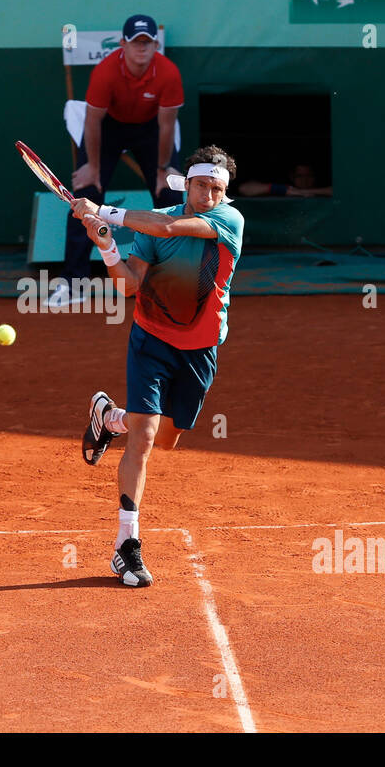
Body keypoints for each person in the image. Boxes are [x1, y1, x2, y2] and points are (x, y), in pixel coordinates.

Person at [68, 145, 244, 587]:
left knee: (167, 440)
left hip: (200, 349)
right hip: (151, 339)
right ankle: (126, 547)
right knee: (144, 437)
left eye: (218, 188)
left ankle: (110, 417)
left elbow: (166, 226)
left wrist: (105, 212)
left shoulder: (229, 221)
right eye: (202, 184)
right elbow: (129, 288)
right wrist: (107, 247)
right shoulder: (150, 223)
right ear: (188, 183)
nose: (209, 194)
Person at [55, 14, 184, 306]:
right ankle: (74, 283)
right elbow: (92, 121)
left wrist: (163, 170)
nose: (142, 48)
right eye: (136, 42)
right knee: (84, 197)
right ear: (123, 44)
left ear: (155, 45)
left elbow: (167, 126)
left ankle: (175, 280)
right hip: (108, 129)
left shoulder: (168, 73)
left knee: (172, 194)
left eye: (148, 43)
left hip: (151, 130)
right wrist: (93, 167)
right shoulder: (105, 72)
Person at [236, 163, 332, 197]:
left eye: (309, 176)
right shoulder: (286, 188)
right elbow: (244, 188)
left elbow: (337, 191)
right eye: (300, 176)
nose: (305, 180)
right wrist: (285, 191)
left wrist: (302, 192)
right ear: (292, 176)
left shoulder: (321, 189)